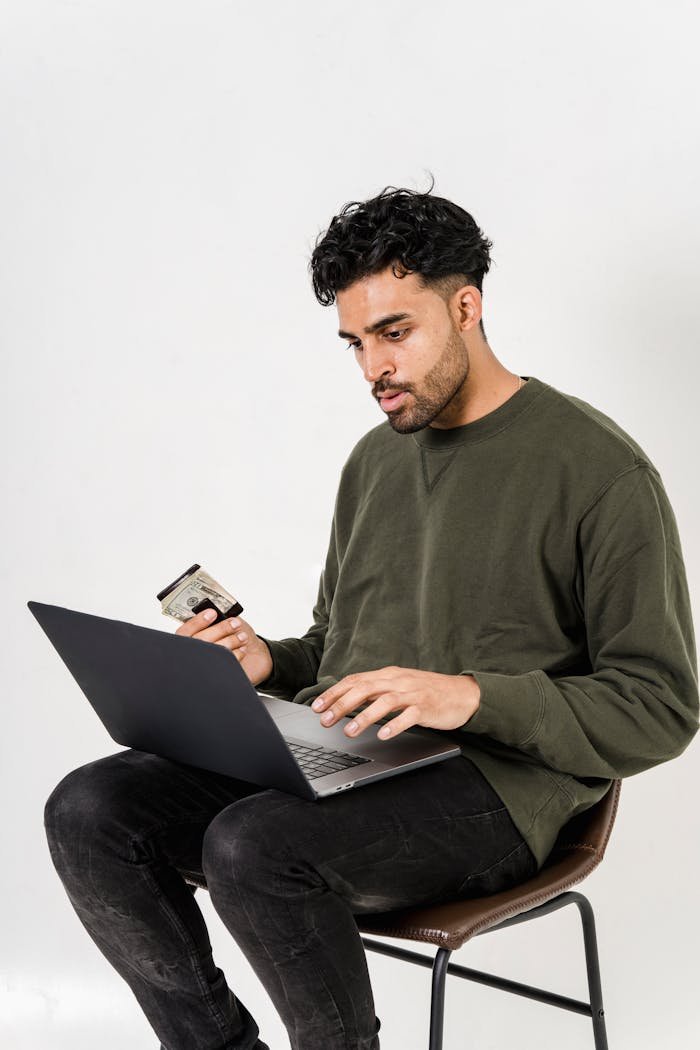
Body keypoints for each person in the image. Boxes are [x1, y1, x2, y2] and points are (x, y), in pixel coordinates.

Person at [43, 178, 699, 1050]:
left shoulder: (599, 470)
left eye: (395, 333)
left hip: (497, 789)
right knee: (90, 808)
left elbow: (661, 707)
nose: (374, 369)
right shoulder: (374, 462)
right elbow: (338, 645)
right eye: (355, 343)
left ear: (466, 307)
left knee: (254, 847)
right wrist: (269, 665)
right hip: (353, 755)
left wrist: (468, 697)